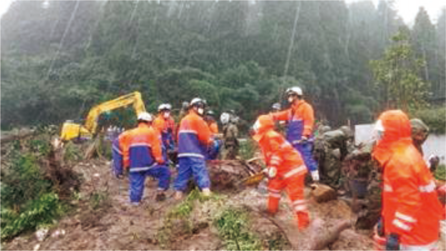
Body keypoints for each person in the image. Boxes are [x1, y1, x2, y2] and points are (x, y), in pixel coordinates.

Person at [372, 110, 442, 250]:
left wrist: (395, 234)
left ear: (390, 134)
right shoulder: (406, 152)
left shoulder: (399, 162)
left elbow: (409, 203)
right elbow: (396, 197)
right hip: (419, 227)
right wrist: (385, 218)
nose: (378, 138)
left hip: (414, 235)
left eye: (381, 133)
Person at [251, 114, 310, 230]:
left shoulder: (271, 136)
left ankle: (304, 223)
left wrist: (273, 166)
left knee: (296, 197)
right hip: (282, 168)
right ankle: (272, 211)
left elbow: (277, 152)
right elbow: (271, 155)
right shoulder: (265, 137)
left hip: (293, 168)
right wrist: (269, 167)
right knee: (274, 187)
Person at [112, 112, 170, 205]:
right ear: (149, 122)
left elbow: (126, 151)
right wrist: (160, 161)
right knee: (165, 172)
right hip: (148, 165)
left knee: (136, 185)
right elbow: (156, 150)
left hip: (135, 166)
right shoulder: (151, 132)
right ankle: (160, 192)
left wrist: (127, 165)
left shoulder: (130, 133)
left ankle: (135, 203)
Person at [271, 87, 319, 182]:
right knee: (289, 160)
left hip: (302, 140)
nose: (289, 97)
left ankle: (316, 180)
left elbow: (308, 122)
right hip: (292, 141)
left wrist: (305, 135)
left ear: (297, 95)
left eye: (291, 95)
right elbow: (280, 115)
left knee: (306, 159)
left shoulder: (306, 107)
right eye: (289, 95)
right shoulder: (291, 111)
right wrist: (270, 116)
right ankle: (291, 179)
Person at [175, 98, 213, 199]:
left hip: (183, 152)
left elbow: (177, 136)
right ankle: (207, 196)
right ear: (195, 107)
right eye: (201, 107)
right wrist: (211, 142)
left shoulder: (184, 119)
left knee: (182, 175)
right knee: (201, 172)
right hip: (194, 151)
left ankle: (178, 197)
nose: (202, 109)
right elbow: (205, 138)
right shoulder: (198, 119)